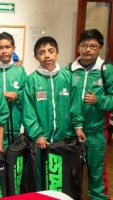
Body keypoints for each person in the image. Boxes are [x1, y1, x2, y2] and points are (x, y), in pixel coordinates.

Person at [22, 36, 86, 189]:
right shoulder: (31, 80)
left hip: (63, 139)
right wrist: (37, 134)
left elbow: (75, 104)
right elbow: (28, 111)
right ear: (36, 56)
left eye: (51, 51)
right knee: (41, 176)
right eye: (42, 52)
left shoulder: (67, 77)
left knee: (61, 177)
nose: (47, 55)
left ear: (57, 52)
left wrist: (78, 126)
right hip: (41, 141)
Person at [68, 29, 113, 200]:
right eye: (84, 45)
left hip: (96, 133)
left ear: (100, 48)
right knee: (72, 173)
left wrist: (99, 100)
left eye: (93, 46)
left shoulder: (106, 69)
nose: (87, 49)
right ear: (78, 47)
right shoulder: (70, 69)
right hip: (71, 132)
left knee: (96, 175)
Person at [0, 32, 27, 148]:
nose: (4, 51)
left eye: (7, 47)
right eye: (0, 48)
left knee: (12, 163)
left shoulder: (20, 71)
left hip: (14, 126)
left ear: (13, 48)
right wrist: (0, 96)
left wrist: (17, 95)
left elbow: (27, 94)